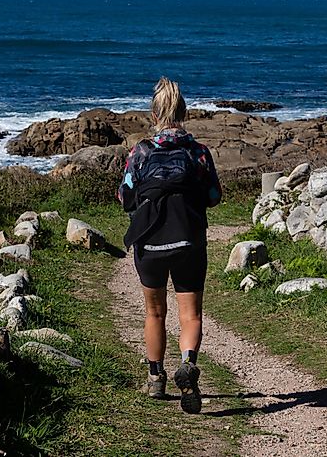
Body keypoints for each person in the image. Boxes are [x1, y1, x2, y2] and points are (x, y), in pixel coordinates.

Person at [118, 77, 222, 414]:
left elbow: (125, 197)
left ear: (154, 111)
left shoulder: (141, 152)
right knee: (190, 313)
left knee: (154, 312)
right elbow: (214, 197)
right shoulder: (198, 153)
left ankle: (155, 379)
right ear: (184, 111)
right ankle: (188, 364)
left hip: (149, 243)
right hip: (188, 240)